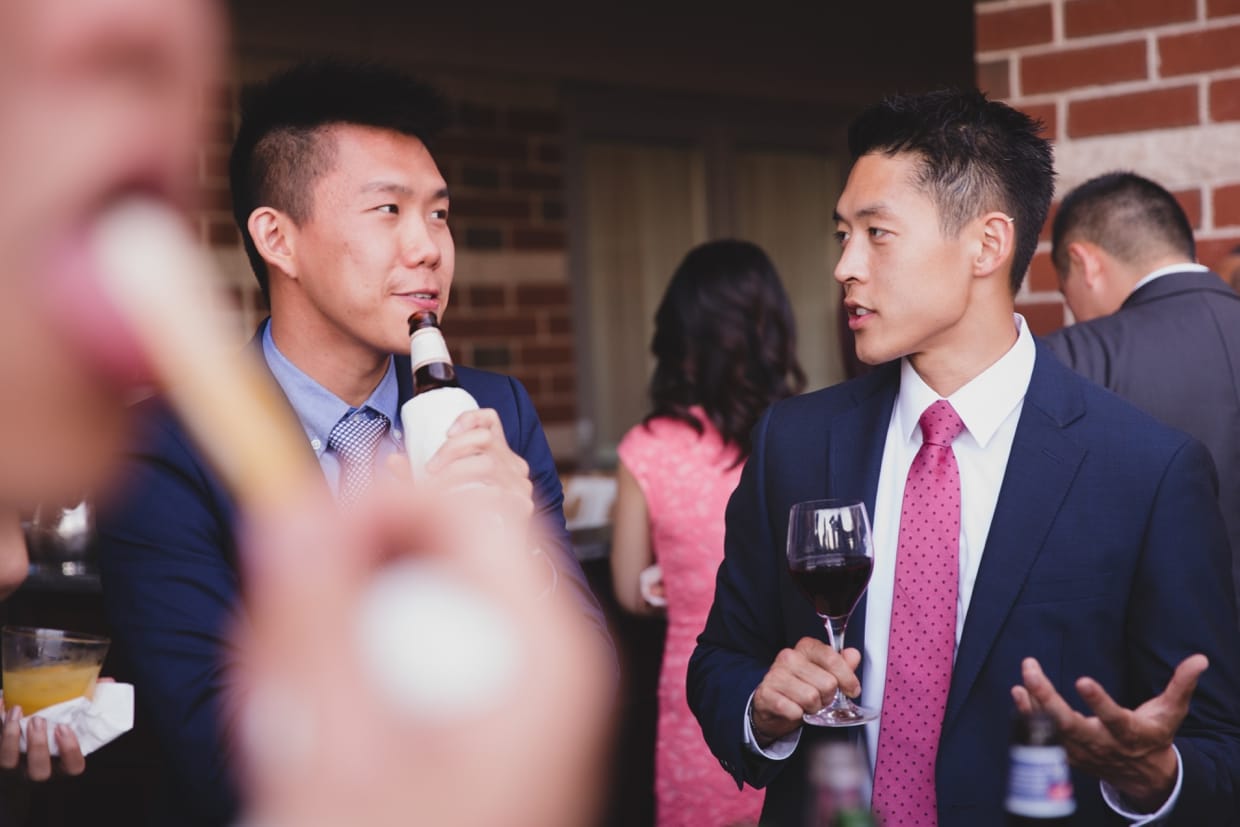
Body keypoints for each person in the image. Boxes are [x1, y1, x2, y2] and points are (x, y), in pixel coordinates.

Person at [686, 88, 1240, 826]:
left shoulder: (1145, 469)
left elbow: (1217, 747)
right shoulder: (794, 439)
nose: (845, 266)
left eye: (876, 234)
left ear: (987, 243)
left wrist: (1153, 775)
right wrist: (764, 705)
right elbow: (721, 656)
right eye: (841, 234)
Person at [91, 59, 610, 826]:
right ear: (279, 239)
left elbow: (585, 671)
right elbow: (218, 743)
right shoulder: (166, 450)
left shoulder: (494, 409)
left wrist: (519, 539)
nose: (429, 246)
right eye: (388, 210)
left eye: (438, 213)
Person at [610, 239, 805, 827]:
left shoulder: (646, 449)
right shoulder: (800, 438)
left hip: (700, 703)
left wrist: (667, 584)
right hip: (791, 697)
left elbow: (627, 592)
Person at [1042, 171, 1240, 609]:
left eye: (1065, 291)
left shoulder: (1071, 358)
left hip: (1160, 658)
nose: (1072, 308)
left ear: (1084, 262)